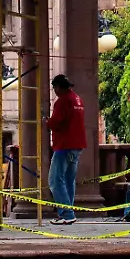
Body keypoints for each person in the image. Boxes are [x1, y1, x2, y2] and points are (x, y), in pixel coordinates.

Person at [45, 74, 86, 225]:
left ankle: (66, 214)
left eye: (54, 88)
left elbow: (56, 122)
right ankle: (69, 213)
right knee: (69, 180)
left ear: (58, 87)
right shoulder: (77, 99)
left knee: (55, 179)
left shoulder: (62, 101)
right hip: (77, 144)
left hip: (64, 144)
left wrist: (47, 122)